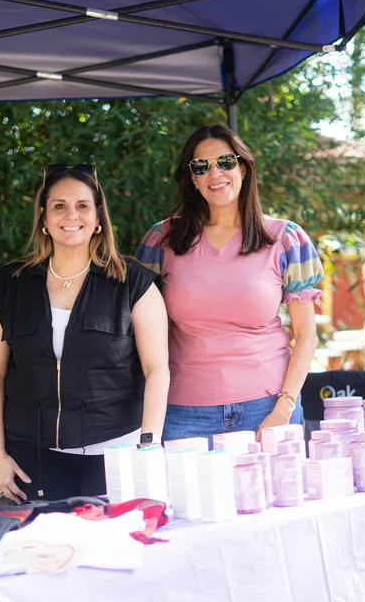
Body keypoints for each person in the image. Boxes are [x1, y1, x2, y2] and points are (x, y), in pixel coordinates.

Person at [0, 163, 169, 502]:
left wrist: (149, 445)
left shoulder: (134, 285)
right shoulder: (8, 287)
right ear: (43, 219)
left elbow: (157, 370)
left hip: (116, 457)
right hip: (31, 458)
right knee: (40, 552)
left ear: (98, 219)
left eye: (83, 205)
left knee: (111, 554)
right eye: (59, 206)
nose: (72, 214)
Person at [135, 125, 322, 444]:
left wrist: (284, 408)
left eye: (225, 161)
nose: (214, 172)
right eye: (201, 166)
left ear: (244, 168)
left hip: (268, 409)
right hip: (183, 415)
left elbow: (306, 337)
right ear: (192, 179)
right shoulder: (160, 241)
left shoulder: (287, 240)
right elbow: (140, 333)